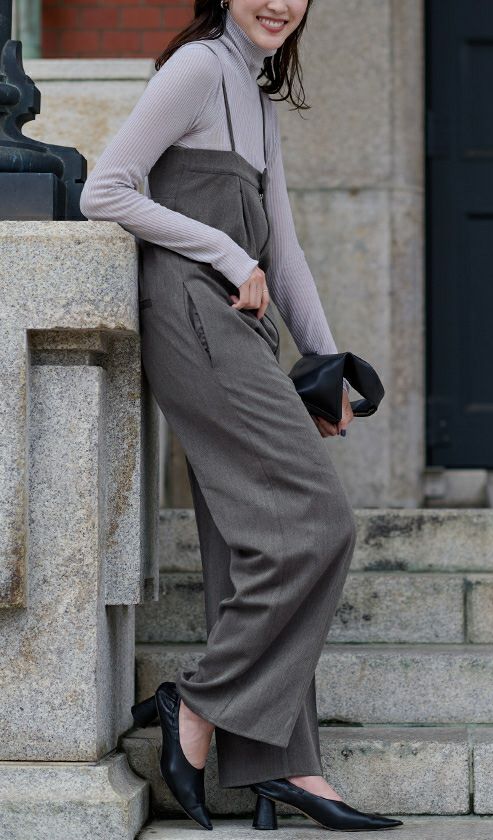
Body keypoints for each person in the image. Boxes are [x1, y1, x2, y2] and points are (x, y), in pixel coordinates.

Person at [80, 0, 403, 832]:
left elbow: (283, 250)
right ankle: (197, 701)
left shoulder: (256, 96)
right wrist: (224, 251)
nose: (279, 3)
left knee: (256, 538)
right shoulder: (196, 69)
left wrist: (325, 365)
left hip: (237, 327)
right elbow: (104, 188)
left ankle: (283, 766)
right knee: (317, 523)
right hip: (192, 314)